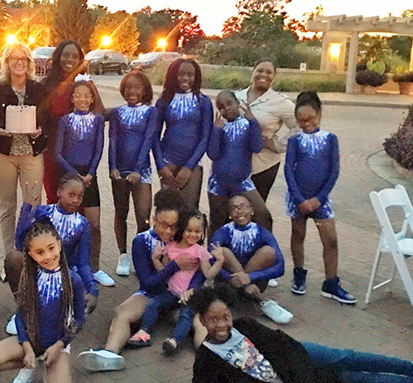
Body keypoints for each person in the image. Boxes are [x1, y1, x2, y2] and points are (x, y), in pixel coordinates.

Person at [189, 284, 413, 383]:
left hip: (297, 355)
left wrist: (301, 364)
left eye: (226, 316)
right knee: (355, 380)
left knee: (346, 357)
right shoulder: (208, 357)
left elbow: (280, 342)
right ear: (202, 320)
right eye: (213, 320)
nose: (222, 324)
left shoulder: (244, 326)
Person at [77, 189, 203, 371]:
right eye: (163, 224)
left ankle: (212, 353)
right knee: (121, 313)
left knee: (201, 319)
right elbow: (148, 283)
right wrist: (174, 265)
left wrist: (192, 289)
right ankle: (110, 354)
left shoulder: (186, 238)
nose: (168, 231)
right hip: (152, 294)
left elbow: (200, 271)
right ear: (154, 219)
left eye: (174, 226)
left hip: (181, 296)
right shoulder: (142, 241)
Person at [0, 220, 85, 383]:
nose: (48, 256)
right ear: (31, 255)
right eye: (40, 252)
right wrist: (27, 347)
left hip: (58, 345)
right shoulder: (29, 278)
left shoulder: (73, 280)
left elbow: (78, 320)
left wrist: (60, 344)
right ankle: (30, 364)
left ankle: (48, 365)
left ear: (59, 245)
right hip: (31, 340)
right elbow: (20, 315)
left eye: (51, 248)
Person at [284, 92, 355, 304]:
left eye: (311, 119)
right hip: (298, 199)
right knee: (298, 235)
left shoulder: (330, 139)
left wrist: (319, 199)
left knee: (330, 240)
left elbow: (334, 171)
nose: (307, 123)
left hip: (320, 200)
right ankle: (298, 274)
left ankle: (331, 282)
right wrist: (299, 199)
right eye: (302, 120)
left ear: (319, 114)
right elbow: (288, 170)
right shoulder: (295, 140)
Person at [128, 208, 222, 354]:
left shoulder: (200, 251)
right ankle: (144, 332)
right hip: (171, 292)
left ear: (203, 232)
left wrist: (220, 261)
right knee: (153, 304)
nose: (193, 234)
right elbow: (163, 270)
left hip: (189, 294)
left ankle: (174, 340)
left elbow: (209, 274)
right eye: (189, 230)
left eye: (198, 231)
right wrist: (155, 259)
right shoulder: (171, 246)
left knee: (186, 315)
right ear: (182, 229)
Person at [6, 174, 99, 319]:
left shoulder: (82, 224)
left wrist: (92, 290)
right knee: (13, 258)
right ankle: (23, 311)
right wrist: (27, 207)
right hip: (38, 266)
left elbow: (83, 262)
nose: (75, 200)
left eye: (80, 197)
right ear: (59, 192)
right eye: (71, 195)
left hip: (64, 272)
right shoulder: (43, 212)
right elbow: (20, 242)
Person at [0, 42, 47, 255]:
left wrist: (40, 130)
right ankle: (9, 256)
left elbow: (47, 119)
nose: (19, 63)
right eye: (14, 59)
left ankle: (31, 254)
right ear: (7, 62)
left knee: (33, 205)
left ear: (29, 63)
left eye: (23, 59)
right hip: (4, 154)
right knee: (7, 206)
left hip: (31, 153)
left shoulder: (38, 89)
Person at [54, 79, 113, 287]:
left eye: (86, 95)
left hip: (89, 177)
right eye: (77, 95)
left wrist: (90, 173)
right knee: (68, 224)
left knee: (94, 224)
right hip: (70, 176)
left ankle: (94, 267)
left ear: (92, 98)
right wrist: (75, 176)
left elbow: (98, 149)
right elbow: (58, 153)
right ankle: (64, 266)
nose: (82, 99)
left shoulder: (97, 119)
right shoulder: (65, 121)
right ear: (72, 98)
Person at [211, 195, 293, 325]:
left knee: (268, 252)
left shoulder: (262, 232)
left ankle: (251, 292)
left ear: (252, 211)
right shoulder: (223, 232)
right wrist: (236, 279)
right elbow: (210, 261)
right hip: (229, 284)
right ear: (230, 214)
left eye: (244, 206)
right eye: (234, 208)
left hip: (256, 283)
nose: (239, 210)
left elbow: (280, 266)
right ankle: (262, 300)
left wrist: (250, 277)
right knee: (222, 252)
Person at [40, 40, 104, 205]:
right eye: (66, 54)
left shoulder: (85, 83)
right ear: (58, 57)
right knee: (55, 197)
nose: (69, 59)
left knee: (78, 200)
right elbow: (38, 115)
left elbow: (99, 111)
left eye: (75, 56)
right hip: (53, 150)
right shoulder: (47, 84)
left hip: (79, 153)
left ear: (80, 60)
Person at [108, 71, 157, 277]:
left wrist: (138, 169)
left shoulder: (150, 112)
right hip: (120, 168)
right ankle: (123, 255)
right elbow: (113, 140)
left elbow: (148, 140)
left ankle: (140, 255)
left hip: (141, 170)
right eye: (128, 87)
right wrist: (112, 167)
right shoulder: (117, 112)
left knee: (143, 216)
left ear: (144, 90)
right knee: (121, 211)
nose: (132, 91)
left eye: (137, 87)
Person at [235, 59, 299, 205]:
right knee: (233, 209)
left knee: (255, 210)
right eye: (260, 70)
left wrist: (278, 145)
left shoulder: (280, 102)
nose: (263, 74)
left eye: (269, 72)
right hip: (236, 164)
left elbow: (300, 127)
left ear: (274, 76)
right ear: (253, 71)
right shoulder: (237, 97)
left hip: (263, 165)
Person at [207, 90, 271, 236]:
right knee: (217, 222)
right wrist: (216, 131)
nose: (226, 109)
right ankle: (213, 256)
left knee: (263, 215)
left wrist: (253, 121)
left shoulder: (247, 124)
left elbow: (257, 147)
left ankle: (267, 250)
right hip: (218, 184)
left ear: (238, 103)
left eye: (229, 103)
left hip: (242, 182)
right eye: (221, 107)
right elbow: (213, 154)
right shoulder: (219, 127)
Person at [153, 58, 213, 208]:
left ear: (196, 77)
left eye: (190, 74)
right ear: (173, 75)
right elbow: (154, 136)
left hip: (192, 164)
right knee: (168, 211)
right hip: (168, 163)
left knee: (190, 210)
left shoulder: (203, 102)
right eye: (180, 74)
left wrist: (188, 167)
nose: (185, 78)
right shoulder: (164, 101)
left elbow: (205, 137)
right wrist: (161, 166)